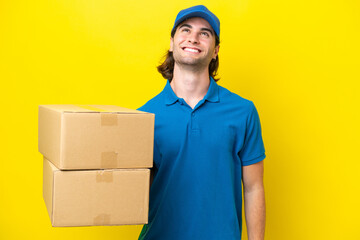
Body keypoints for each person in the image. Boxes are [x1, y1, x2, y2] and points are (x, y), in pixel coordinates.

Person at [138, 5, 266, 240]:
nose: (193, 38)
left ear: (215, 50)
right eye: (185, 30)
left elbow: (254, 188)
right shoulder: (143, 117)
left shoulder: (243, 111)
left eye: (204, 33)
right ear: (172, 42)